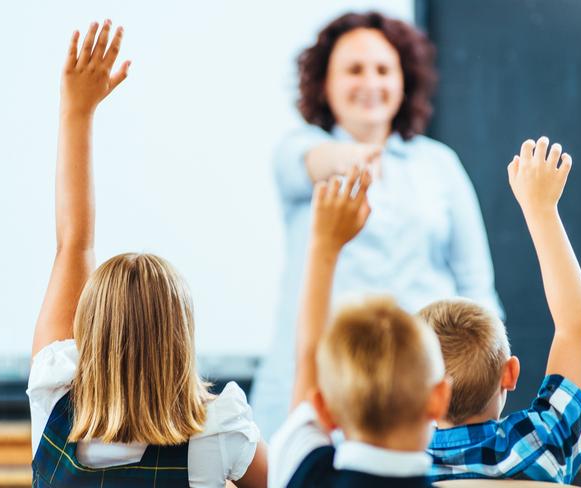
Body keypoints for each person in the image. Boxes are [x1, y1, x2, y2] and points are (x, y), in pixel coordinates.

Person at [27, 21, 267, 488]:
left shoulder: (54, 393)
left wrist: (76, 111)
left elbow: (73, 242)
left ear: (89, 332)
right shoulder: (218, 428)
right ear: (182, 336)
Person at [251, 11, 502, 439]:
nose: (370, 82)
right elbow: (314, 163)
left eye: (384, 69)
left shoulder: (439, 165)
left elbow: (478, 287)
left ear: (404, 81)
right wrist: (354, 157)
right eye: (353, 70)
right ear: (324, 85)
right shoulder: (301, 149)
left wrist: (487, 382)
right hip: (323, 390)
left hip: (422, 397)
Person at [420, 137, 581, 483]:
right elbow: (576, 327)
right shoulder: (545, 446)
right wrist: (541, 210)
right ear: (510, 373)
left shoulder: (395, 469)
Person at [268, 166, 451, 488]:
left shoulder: (304, 470)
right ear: (440, 398)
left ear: (324, 407)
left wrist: (325, 245)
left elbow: (309, 356)